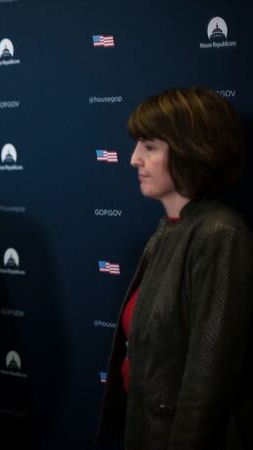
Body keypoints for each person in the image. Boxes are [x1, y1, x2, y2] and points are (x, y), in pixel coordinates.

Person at [97, 88, 253, 449]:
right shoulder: (170, 226)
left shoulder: (220, 234)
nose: (133, 159)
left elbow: (207, 384)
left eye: (149, 147)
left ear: (192, 150)